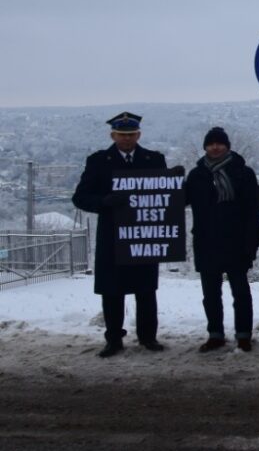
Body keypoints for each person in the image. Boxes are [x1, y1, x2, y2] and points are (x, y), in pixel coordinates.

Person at [73, 112, 168, 357]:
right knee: (112, 291)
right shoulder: (98, 161)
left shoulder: (153, 159)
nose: (126, 140)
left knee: (146, 290)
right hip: (112, 237)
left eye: (131, 135)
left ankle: (148, 337)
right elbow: (81, 197)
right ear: (112, 135)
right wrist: (105, 201)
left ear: (138, 135)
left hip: (144, 234)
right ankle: (113, 339)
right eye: (122, 135)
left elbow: (166, 194)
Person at [184, 127, 259, 353]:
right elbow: (180, 201)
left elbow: (253, 210)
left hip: (236, 241)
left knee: (241, 292)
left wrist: (252, 241)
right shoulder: (197, 175)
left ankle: (244, 334)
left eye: (219, 143)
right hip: (207, 242)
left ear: (227, 146)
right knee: (210, 294)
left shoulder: (243, 173)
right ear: (205, 147)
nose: (215, 147)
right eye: (211, 143)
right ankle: (215, 334)